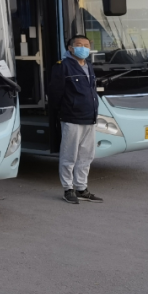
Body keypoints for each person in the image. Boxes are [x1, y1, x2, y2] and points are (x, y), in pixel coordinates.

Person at [46, 34, 103, 205]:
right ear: (70, 48)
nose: (83, 48)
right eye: (79, 45)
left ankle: (81, 188)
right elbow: (55, 94)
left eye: (86, 45)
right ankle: (68, 189)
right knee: (69, 155)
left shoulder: (88, 66)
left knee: (86, 156)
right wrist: (63, 112)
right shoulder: (62, 67)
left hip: (89, 117)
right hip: (71, 118)